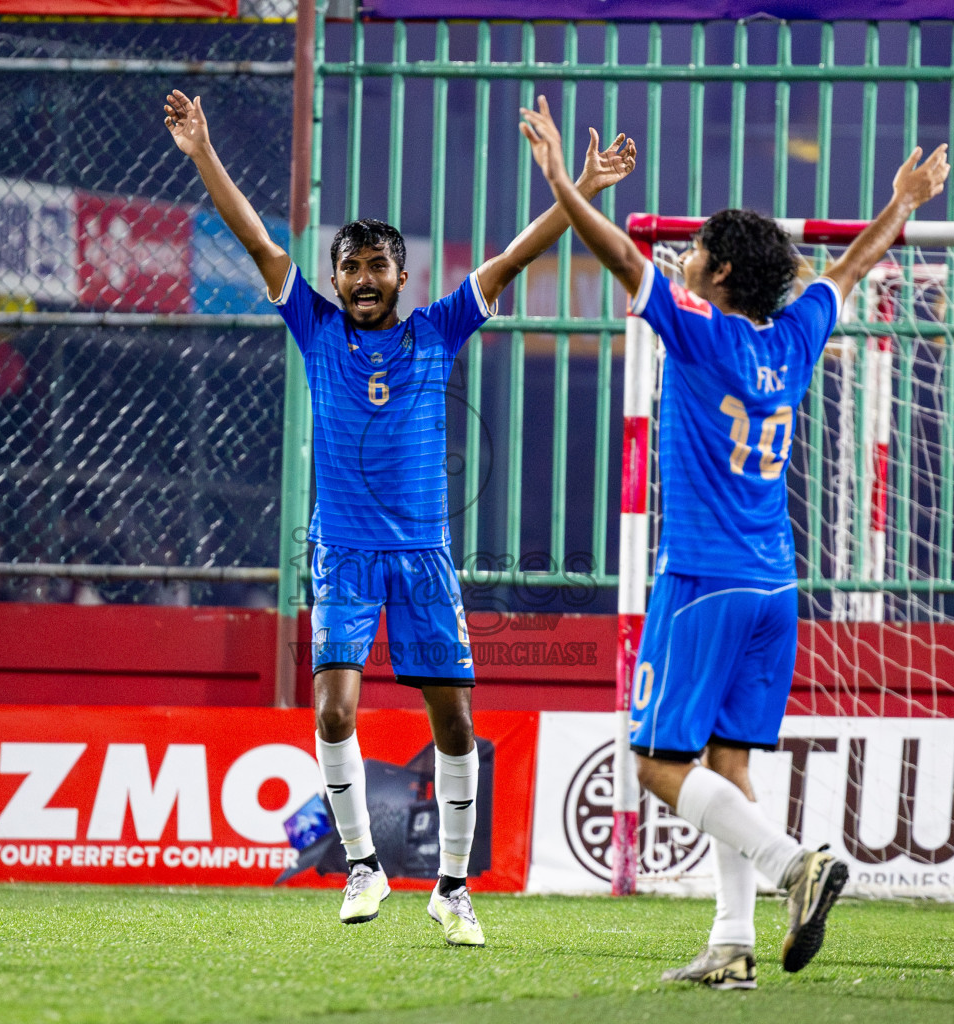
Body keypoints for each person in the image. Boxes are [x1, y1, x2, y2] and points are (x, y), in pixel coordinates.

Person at [165, 90, 636, 946]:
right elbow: (258, 241)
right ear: (336, 276)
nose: (366, 277)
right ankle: (361, 867)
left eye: (379, 264)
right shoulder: (310, 325)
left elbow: (511, 259)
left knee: (454, 723)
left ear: (401, 275)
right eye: (352, 265)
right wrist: (201, 153)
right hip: (342, 554)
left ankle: (453, 888)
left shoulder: (438, 328)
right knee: (335, 712)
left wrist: (582, 190)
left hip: (423, 557)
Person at [519, 95, 949, 987]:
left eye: (697, 251)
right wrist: (901, 202)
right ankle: (731, 945)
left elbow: (617, 255)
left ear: (716, 276)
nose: (685, 256)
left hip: (703, 578)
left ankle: (797, 865)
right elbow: (853, 268)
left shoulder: (698, 329)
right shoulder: (794, 335)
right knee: (727, 762)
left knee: (655, 765)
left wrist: (563, 181)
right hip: (774, 589)